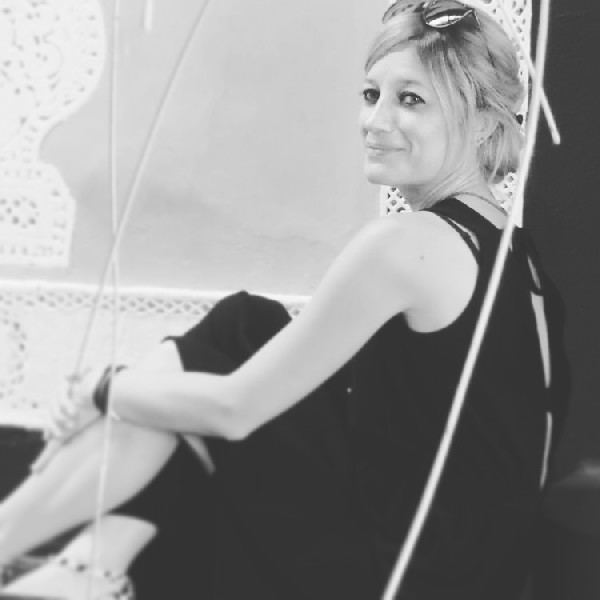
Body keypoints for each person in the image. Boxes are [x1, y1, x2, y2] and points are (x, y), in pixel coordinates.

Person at [0, 1, 569, 598]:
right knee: (250, 328)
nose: (376, 121)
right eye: (371, 94)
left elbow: (234, 410)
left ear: (481, 124)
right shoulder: (520, 260)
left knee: (228, 348)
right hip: (466, 572)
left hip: (398, 575)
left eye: (412, 99)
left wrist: (103, 389)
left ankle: (63, 561)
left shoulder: (408, 245)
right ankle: (88, 568)